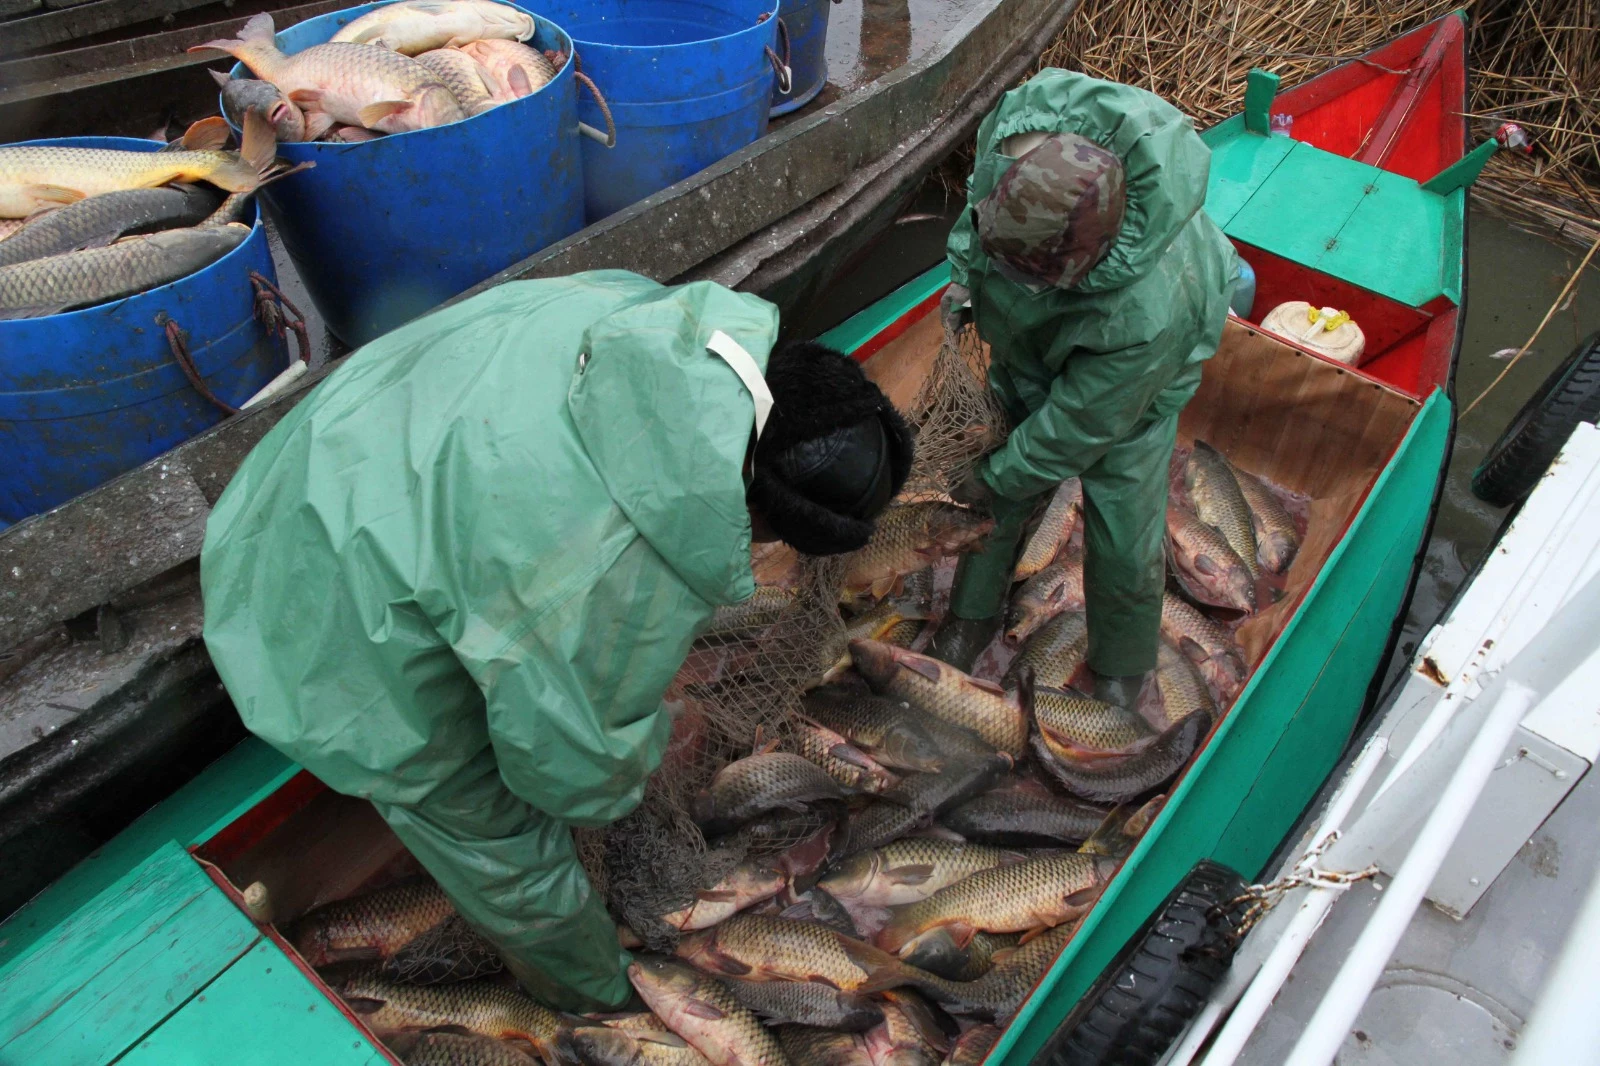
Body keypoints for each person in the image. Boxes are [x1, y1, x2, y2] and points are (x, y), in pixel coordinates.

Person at [199, 271, 912, 1011]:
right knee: (507, 845)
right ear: (760, 512)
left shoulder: (653, 319)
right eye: (773, 539)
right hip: (310, 620)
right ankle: (593, 1003)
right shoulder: (601, 577)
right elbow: (566, 776)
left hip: (308, 474)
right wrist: (649, 740)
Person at [929, 69, 1239, 708]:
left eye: (1034, 277)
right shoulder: (1015, 148)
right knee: (995, 484)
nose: (1014, 279)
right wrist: (966, 276)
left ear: (1084, 266)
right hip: (1029, 351)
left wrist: (998, 476)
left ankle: (1123, 666)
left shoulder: (1144, 316)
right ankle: (972, 617)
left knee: (1123, 533)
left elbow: (1079, 425)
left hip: (1131, 400)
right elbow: (973, 213)